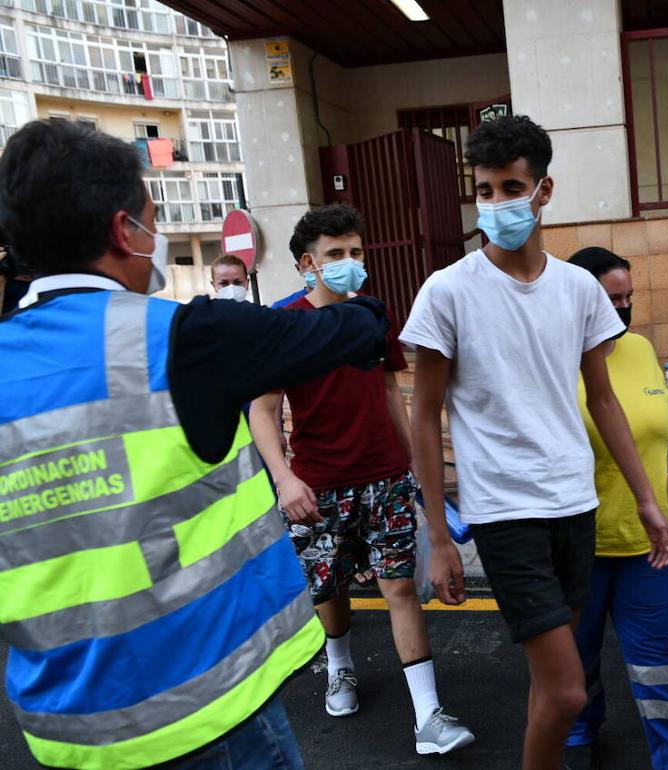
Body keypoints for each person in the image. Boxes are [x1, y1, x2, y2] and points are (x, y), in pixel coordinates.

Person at [0, 120, 395, 768]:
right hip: (203, 715)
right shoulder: (184, 337)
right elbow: (362, 328)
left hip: (67, 733)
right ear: (124, 229)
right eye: (154, 218)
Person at [400, 115, 668, 770]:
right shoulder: (448, 292)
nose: (496, 205)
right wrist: (439, 537)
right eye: (486, 191)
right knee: (567, 692)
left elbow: (603, 399)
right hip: (506, 516)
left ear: (544, 189)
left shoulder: (579, 289)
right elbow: (425, 414)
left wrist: (645, 500)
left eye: (511, 188)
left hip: (574, 507)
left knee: (549, 686)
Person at [249, 203, 474, 756]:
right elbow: (261, 409)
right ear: (309, 263)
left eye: (355, 252)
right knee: (331, 591)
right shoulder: (287, 324)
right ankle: (341, 668)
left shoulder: (373, 316)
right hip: (317, 486)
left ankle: (429, 717)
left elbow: (391, 397)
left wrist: (420, 474)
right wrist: (285, 479)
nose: (349, 263)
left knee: (399, 587)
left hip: (385, 479)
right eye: (335, 255)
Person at [564, 247, 668, 770]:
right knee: (574, 663)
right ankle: (578, 740)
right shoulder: (553, 360)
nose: (624, 309)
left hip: (649, 543)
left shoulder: (642, 348)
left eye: (629, 297)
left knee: (660, 666)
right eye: (611, 299)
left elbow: (653, 422)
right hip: (578, 545)